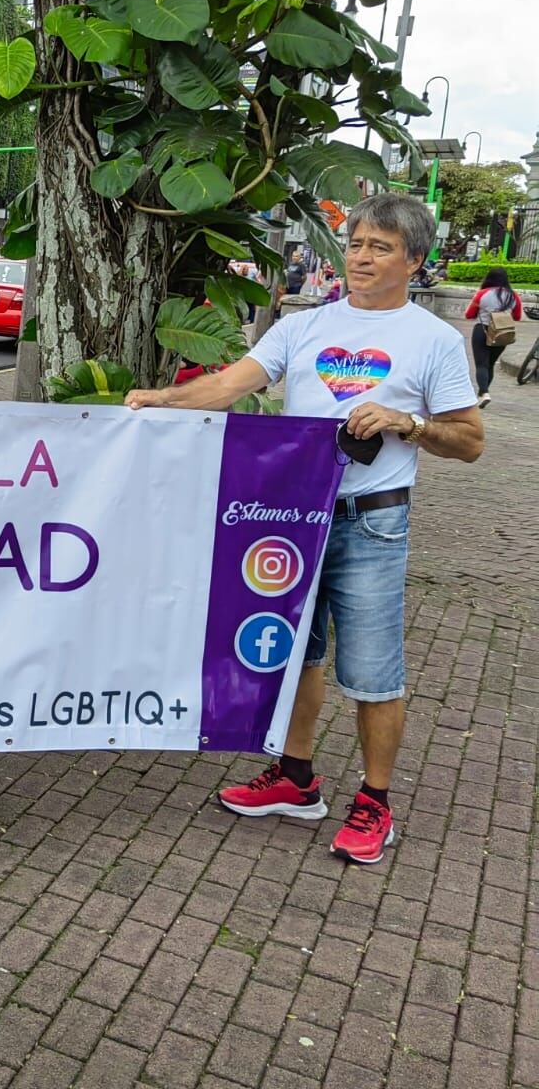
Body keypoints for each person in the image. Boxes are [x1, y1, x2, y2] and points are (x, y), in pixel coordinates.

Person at [126, 193, 483, 866]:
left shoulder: (433, 341)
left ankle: (375, 801)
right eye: (355, 244)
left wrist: (410, 424)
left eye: (379, 247)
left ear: (414, 259)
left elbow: (469, 441)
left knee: (374, 673)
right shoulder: (305, 326)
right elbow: (230, 385)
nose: (361, 257)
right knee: (298, 655)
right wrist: (162, 400)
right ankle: (296, 779)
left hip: (373, 523)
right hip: (292, 519)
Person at [465, 266, 522, 407]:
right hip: (502, 332)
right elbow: (517, 316)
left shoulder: (482, 294)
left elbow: (469, 314)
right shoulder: (513, 295)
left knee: (481, 364)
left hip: (482, 330)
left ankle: (484, 392)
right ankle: (482, 393)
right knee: (490, 364)